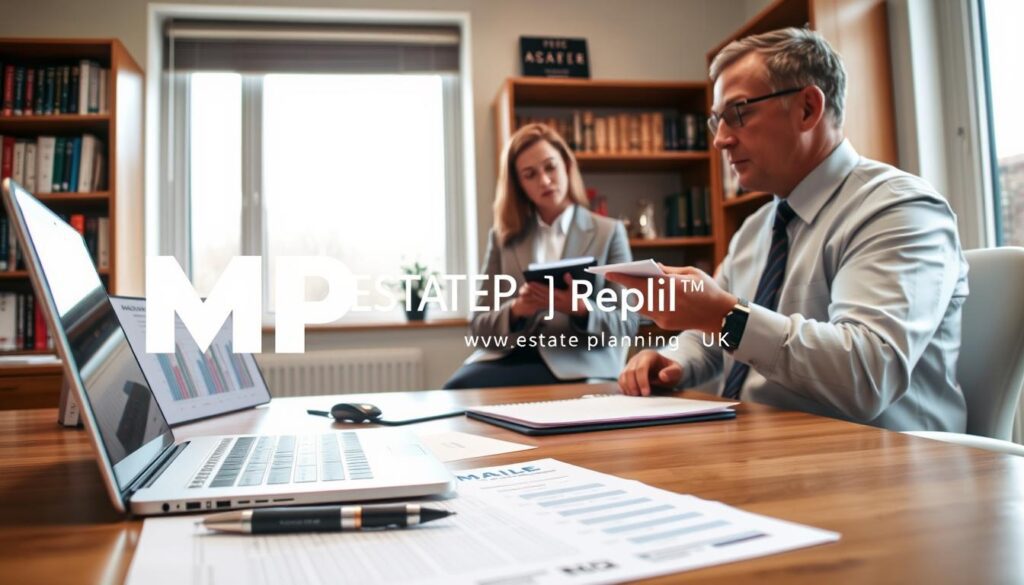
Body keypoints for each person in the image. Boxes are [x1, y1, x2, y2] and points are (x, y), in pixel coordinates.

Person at [610, 27, 969, 432]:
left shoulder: (899, 210)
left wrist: (725, 315)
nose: (721, 140)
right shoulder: (754, 229)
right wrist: (675, 359)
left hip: (886, 466)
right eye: (716, 121)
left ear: (807, 109)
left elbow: (868, 373)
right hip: (770, 449)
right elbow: (714, 338)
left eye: (739, 113)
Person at [444, 123, 638, 389]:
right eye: (530, 174)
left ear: (567, 166)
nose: (544, 181)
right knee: (455, 391)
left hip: (577, 361)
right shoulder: (503, 238)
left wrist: (581, 309)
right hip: (510, 356)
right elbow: (479, 328)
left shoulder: (609, 233)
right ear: (519, 185)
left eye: (550, 167)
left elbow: (627, 323)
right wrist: (515, 311)